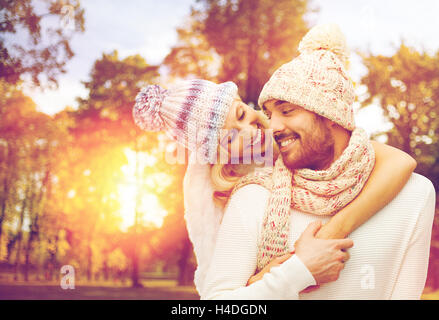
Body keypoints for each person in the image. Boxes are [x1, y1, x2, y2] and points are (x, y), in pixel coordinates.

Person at [132, 68, 416, 298]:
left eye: (242, 114)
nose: (249, 130)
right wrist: (286, 273)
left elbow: (401, 162)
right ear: (219, 155)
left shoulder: (299, 139)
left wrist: (334, 231)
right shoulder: (234, 196)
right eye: (230, 137)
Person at [200, 23, 435, 300]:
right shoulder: (253, 197)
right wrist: (296, 273)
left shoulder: (414, 194)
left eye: (287, 111)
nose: (272, 127)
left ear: (330, 114)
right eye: (270, 114)